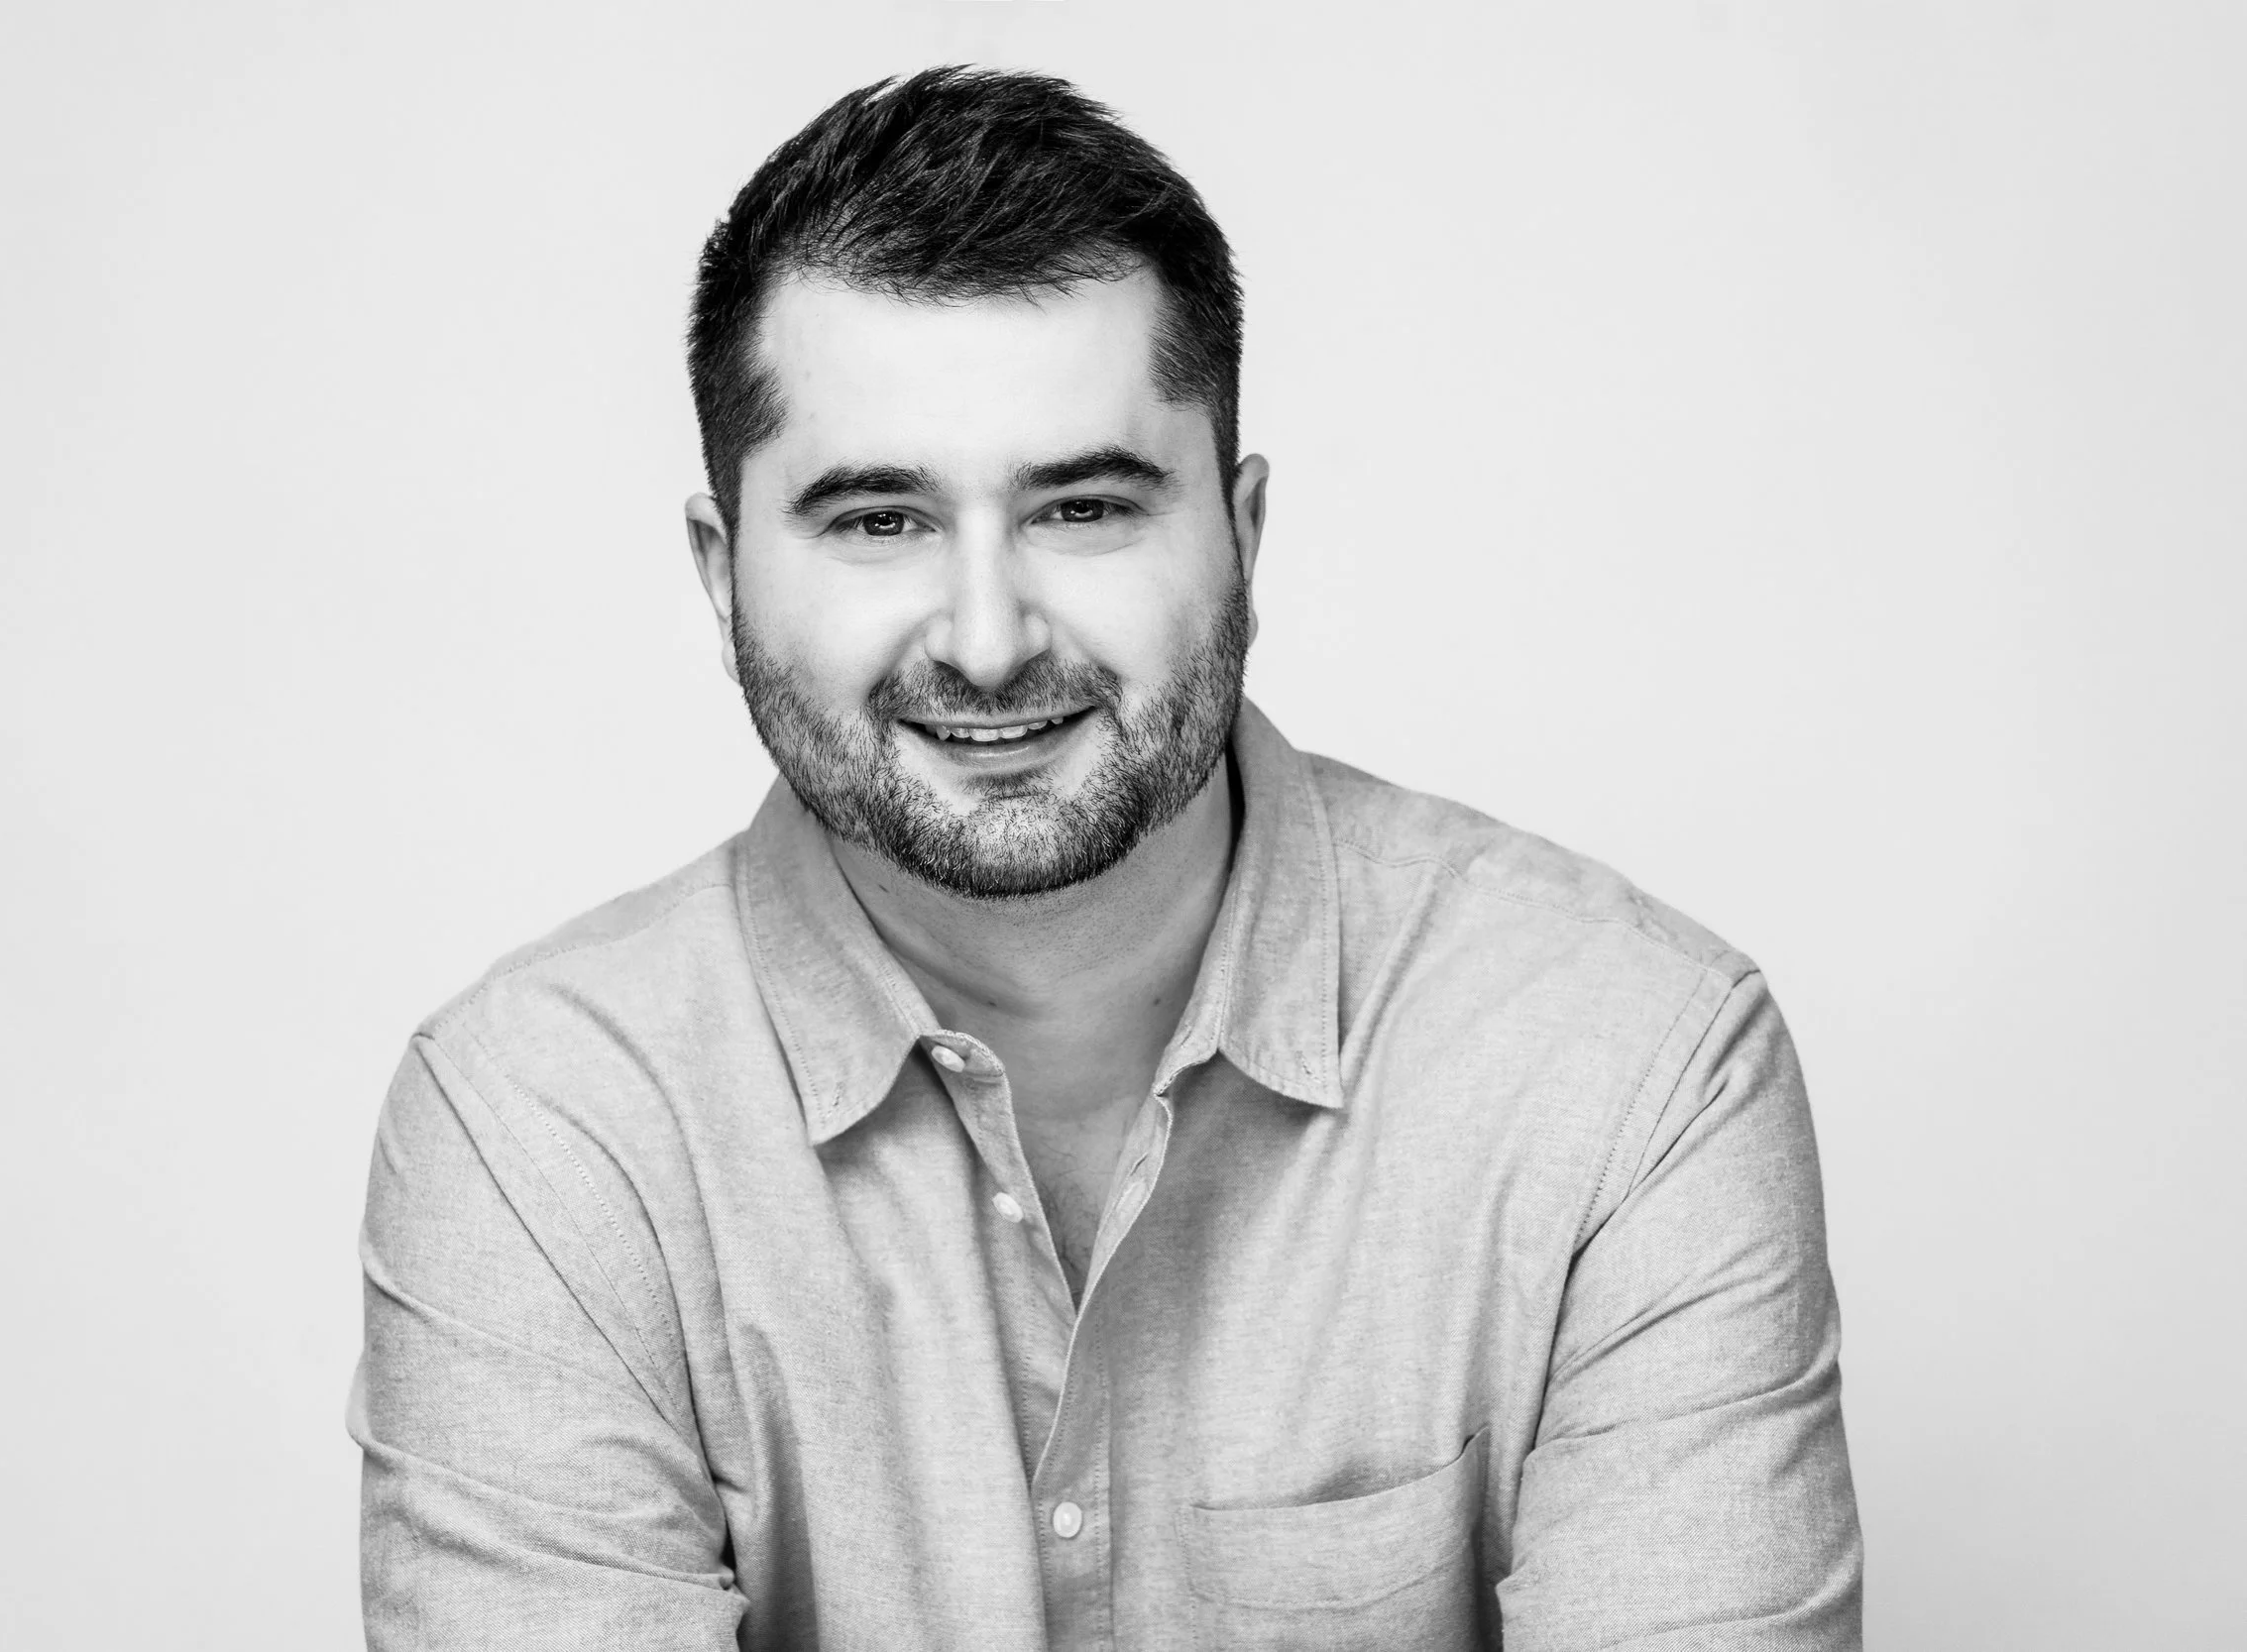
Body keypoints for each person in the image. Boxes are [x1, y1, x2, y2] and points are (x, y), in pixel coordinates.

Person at [348, 65, 1862, 1651]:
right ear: (724, 577)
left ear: (1244, 537)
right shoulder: (539, 1129)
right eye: (878, 520)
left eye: (1080, 506)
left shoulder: (1630, 1064)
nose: (991, 642)